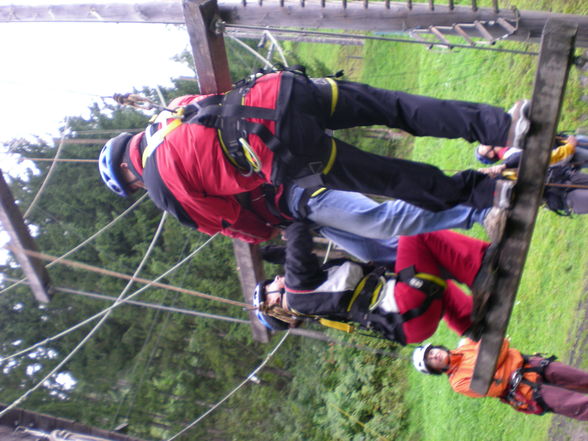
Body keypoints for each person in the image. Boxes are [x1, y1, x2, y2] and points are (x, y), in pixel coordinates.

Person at [99, 68, 524, 250]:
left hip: (282, 147)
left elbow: (234, 221)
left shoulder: (162, 189)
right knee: (395, 107)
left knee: (388, 177)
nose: (139, 189)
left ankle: (484, 192)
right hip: (282, 90)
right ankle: (500, 126)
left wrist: (269, 229)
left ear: (127, 170)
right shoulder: (169, 110)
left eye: (131, 186)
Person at [252, 222, 495, 345]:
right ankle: (481, 268)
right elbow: (298, 241)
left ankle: (468, 323)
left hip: (411, 325)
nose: (276, 278)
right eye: (270, 284)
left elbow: (301, 261)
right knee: (414, 233)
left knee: (427, 280)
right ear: (272, 301)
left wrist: (262, 252)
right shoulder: (296, 290)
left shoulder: (307, 302)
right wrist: (287, 217)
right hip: (406, 307)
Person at [412, 338, 588, 421]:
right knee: (578, 404)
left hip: (532, 365)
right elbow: (494, 386)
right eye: (430, 361)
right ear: (434, 370)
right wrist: (499, 358)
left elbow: (498, 342)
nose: (434, 356)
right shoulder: (458, 383)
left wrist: (495, 362)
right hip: (525, 390)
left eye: (431, 351)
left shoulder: (466, 346)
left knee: (581, 379)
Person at [477, 134, 588, 215]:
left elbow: (528, 156)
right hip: (561, 195)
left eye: (483, 170)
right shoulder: (502, 189)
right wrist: (569, 148)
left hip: (564, 176)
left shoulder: (508, 163)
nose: (485, 171)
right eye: (483, 174)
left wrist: (505, 166)